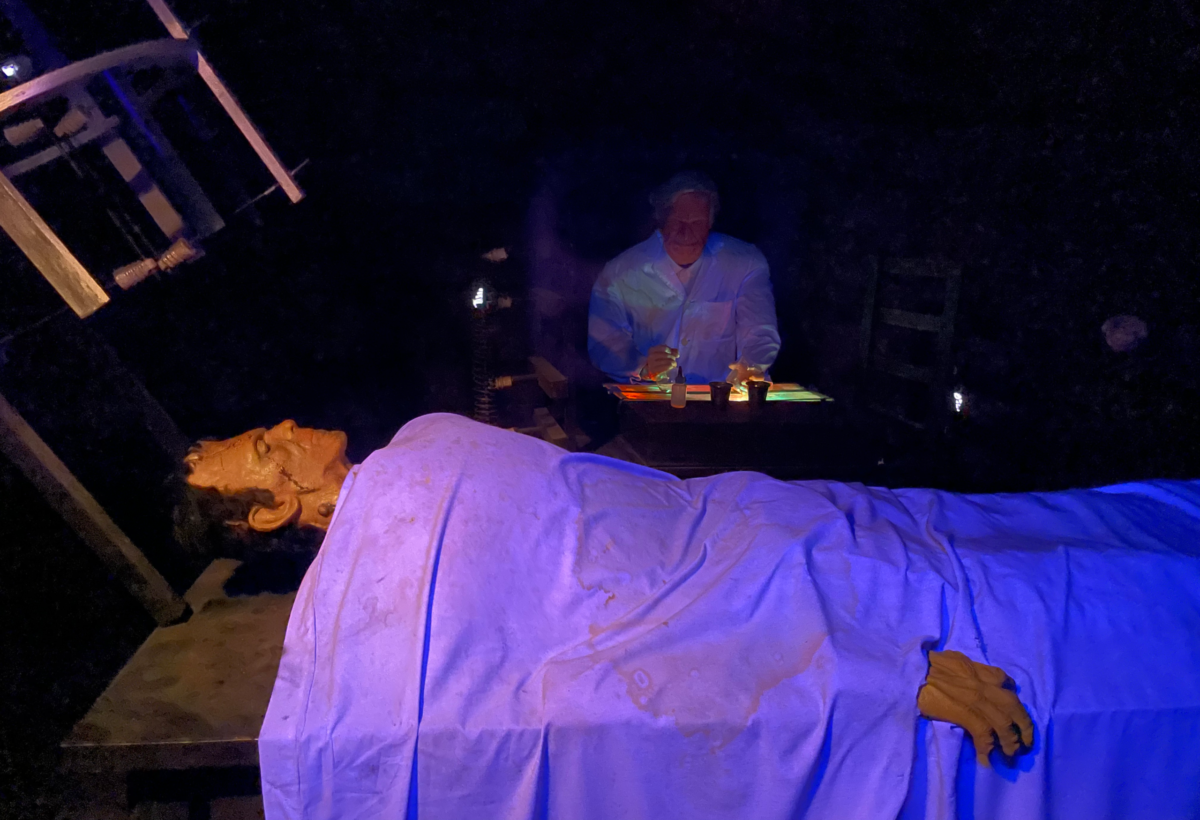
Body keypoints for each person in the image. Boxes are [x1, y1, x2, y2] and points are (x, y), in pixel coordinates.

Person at [180, 414, 1200, 819]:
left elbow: (607, 521)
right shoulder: (395, 546)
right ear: (271, 511)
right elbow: (613, 638)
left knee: (1062, 545)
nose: (286, 426)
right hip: (783, 599)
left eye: (261, 427)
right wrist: (866, 665)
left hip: (770, 528)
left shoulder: (418, 449)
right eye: (266, 450)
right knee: (1103, 624)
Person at [588, 171, 781, 385]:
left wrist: (751, 365)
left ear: (710, 223)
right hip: (648, 399)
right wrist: (642, 366)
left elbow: (759, 330)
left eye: (696, 223)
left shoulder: (745, 263)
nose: (686, 233)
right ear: (661, 222)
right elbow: (604, 341)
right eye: (677, 221)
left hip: (718, 399)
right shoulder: (620, 272)